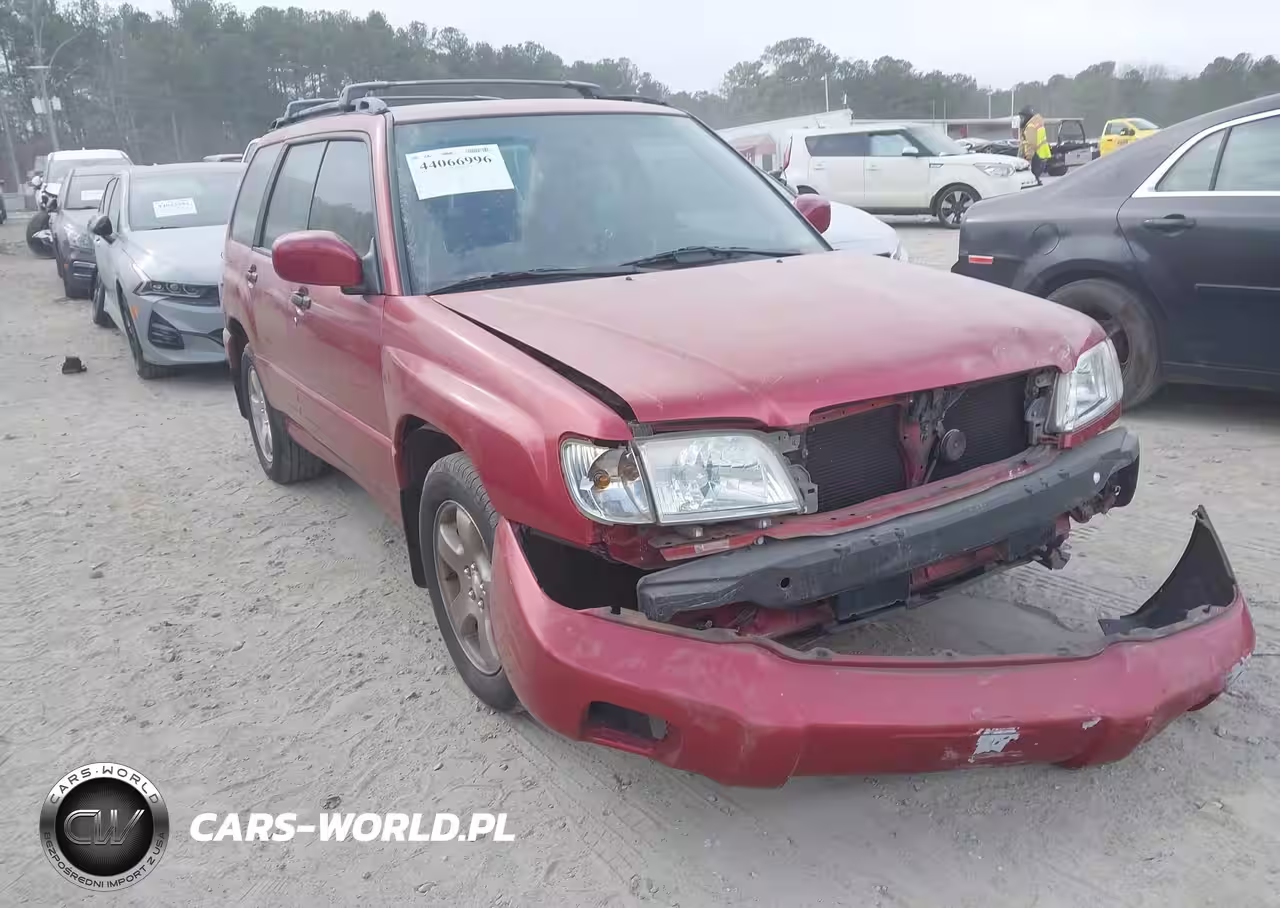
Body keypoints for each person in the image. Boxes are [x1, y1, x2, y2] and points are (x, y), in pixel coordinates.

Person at [1019, 105, 1052, 185]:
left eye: (1022, 117)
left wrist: (1028, 157)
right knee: (1036, 178)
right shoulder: (1037, 124)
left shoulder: (1030, 126)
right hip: (1042, 154)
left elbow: (1031, 143)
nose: (1021, 119)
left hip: (1036, 156)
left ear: (1027, 116)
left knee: (1033, 179)